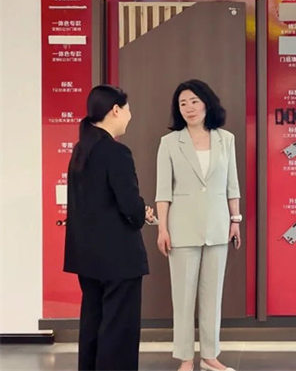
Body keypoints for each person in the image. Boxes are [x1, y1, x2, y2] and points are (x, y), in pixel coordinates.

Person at [64, 85, 154, 370]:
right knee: (119, 333)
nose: (130, 115)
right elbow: (130, 206)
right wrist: (142, 212)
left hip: (87, 257)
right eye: (127, 110)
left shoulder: (81, 150)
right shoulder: (116, 152)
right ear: (115, 110)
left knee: (93, 324)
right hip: (119, 259)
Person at [155, 79, 241, 371]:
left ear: (207, 103)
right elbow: (163, 191)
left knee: (212, 295)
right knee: (182, 297)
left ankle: (210, 356)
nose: (189, 108)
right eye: (183, 103)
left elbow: (232, 184)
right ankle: (185, 358)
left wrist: (235, 219)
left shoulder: (225, 139)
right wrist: (162, 229)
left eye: (194, 101)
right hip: (181, 229)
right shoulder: (169, 143)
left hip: (218, 226)